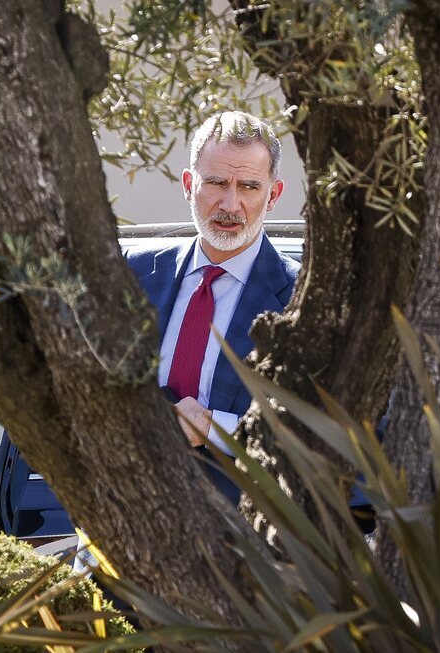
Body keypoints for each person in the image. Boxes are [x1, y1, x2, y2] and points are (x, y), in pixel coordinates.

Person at [125, 111, 299, 495]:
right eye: (217, 182)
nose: (230, 204)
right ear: (189, 185)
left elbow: (318, 433)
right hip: (120, 515)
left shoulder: (301, 297)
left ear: (273, 195)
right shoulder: (130, 273)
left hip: (243, 532)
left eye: (249, 186)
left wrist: (213, 427)